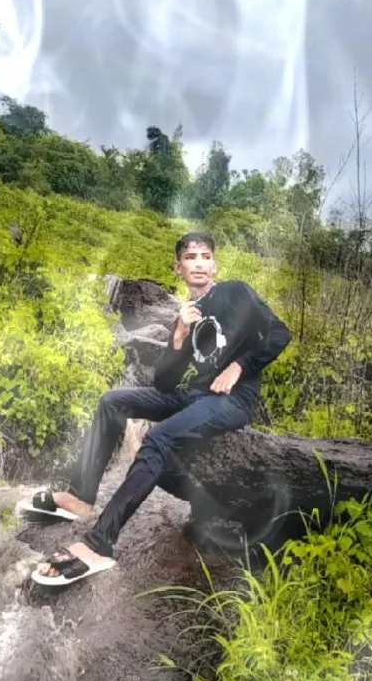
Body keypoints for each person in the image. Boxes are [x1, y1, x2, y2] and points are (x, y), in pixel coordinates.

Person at [29, 232, 292, 585]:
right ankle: (81, 497)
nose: (198, 262)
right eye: (190, 257)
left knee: (159, 439)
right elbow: (165, 384)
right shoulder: (188, 314)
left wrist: (240, 365)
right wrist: (180, 333)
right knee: (112, 401)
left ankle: (99, 544)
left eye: (205, 256)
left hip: (232, 400)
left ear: (214, 264)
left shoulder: (235, 293)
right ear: (178, 267)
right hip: (194, 395)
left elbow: (280, 332)